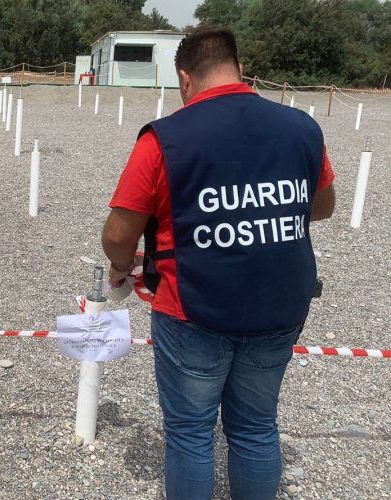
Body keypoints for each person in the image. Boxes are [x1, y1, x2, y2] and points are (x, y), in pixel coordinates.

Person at [100, 27, 335, 500]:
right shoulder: (302, 129)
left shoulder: (164, 138)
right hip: (280, 305)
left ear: (185, 79)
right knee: (255, 428)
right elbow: (323, 206)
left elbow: (118, 234)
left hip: (193, 311)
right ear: (240, 70)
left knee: (190, 433)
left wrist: (120, 268)